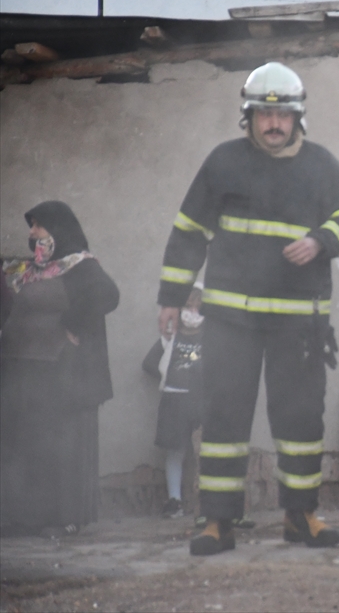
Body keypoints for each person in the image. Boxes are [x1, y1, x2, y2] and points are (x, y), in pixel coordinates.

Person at [157, 62, 339, 556]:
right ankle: (217, 522)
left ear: (298, 119)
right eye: (264, 114)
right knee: (223, 418)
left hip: (299, 321)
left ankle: (302, 515)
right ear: (247, 117)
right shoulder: (223, 162)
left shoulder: (321, 165)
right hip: (230, 321)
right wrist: (169, 297)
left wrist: (321, 241)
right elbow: (188, 231)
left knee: (300, 419)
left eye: (283, 115)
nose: (274, 123)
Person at [1, 201, 119, 535]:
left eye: (38, 226)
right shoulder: (29, 270)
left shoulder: (79, 265)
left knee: (58, 445)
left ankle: (59, 518)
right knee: (25, 446)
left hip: (60, 374)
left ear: (58, 229)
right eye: (32, 226)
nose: (31, 233)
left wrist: (73, 323)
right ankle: (25, 517)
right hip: (23, 371)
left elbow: (108, 294)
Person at [142, 283, 206, 519]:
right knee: (175, 451)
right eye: (188, 306)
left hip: (202, 402)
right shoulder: (170, 337)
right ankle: (174, 500)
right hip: (174, 401)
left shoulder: (210, 337)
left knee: (206, 452)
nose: (193, 312)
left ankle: (207, 502)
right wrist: (168, 374)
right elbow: (148, 364)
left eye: (199, 307)